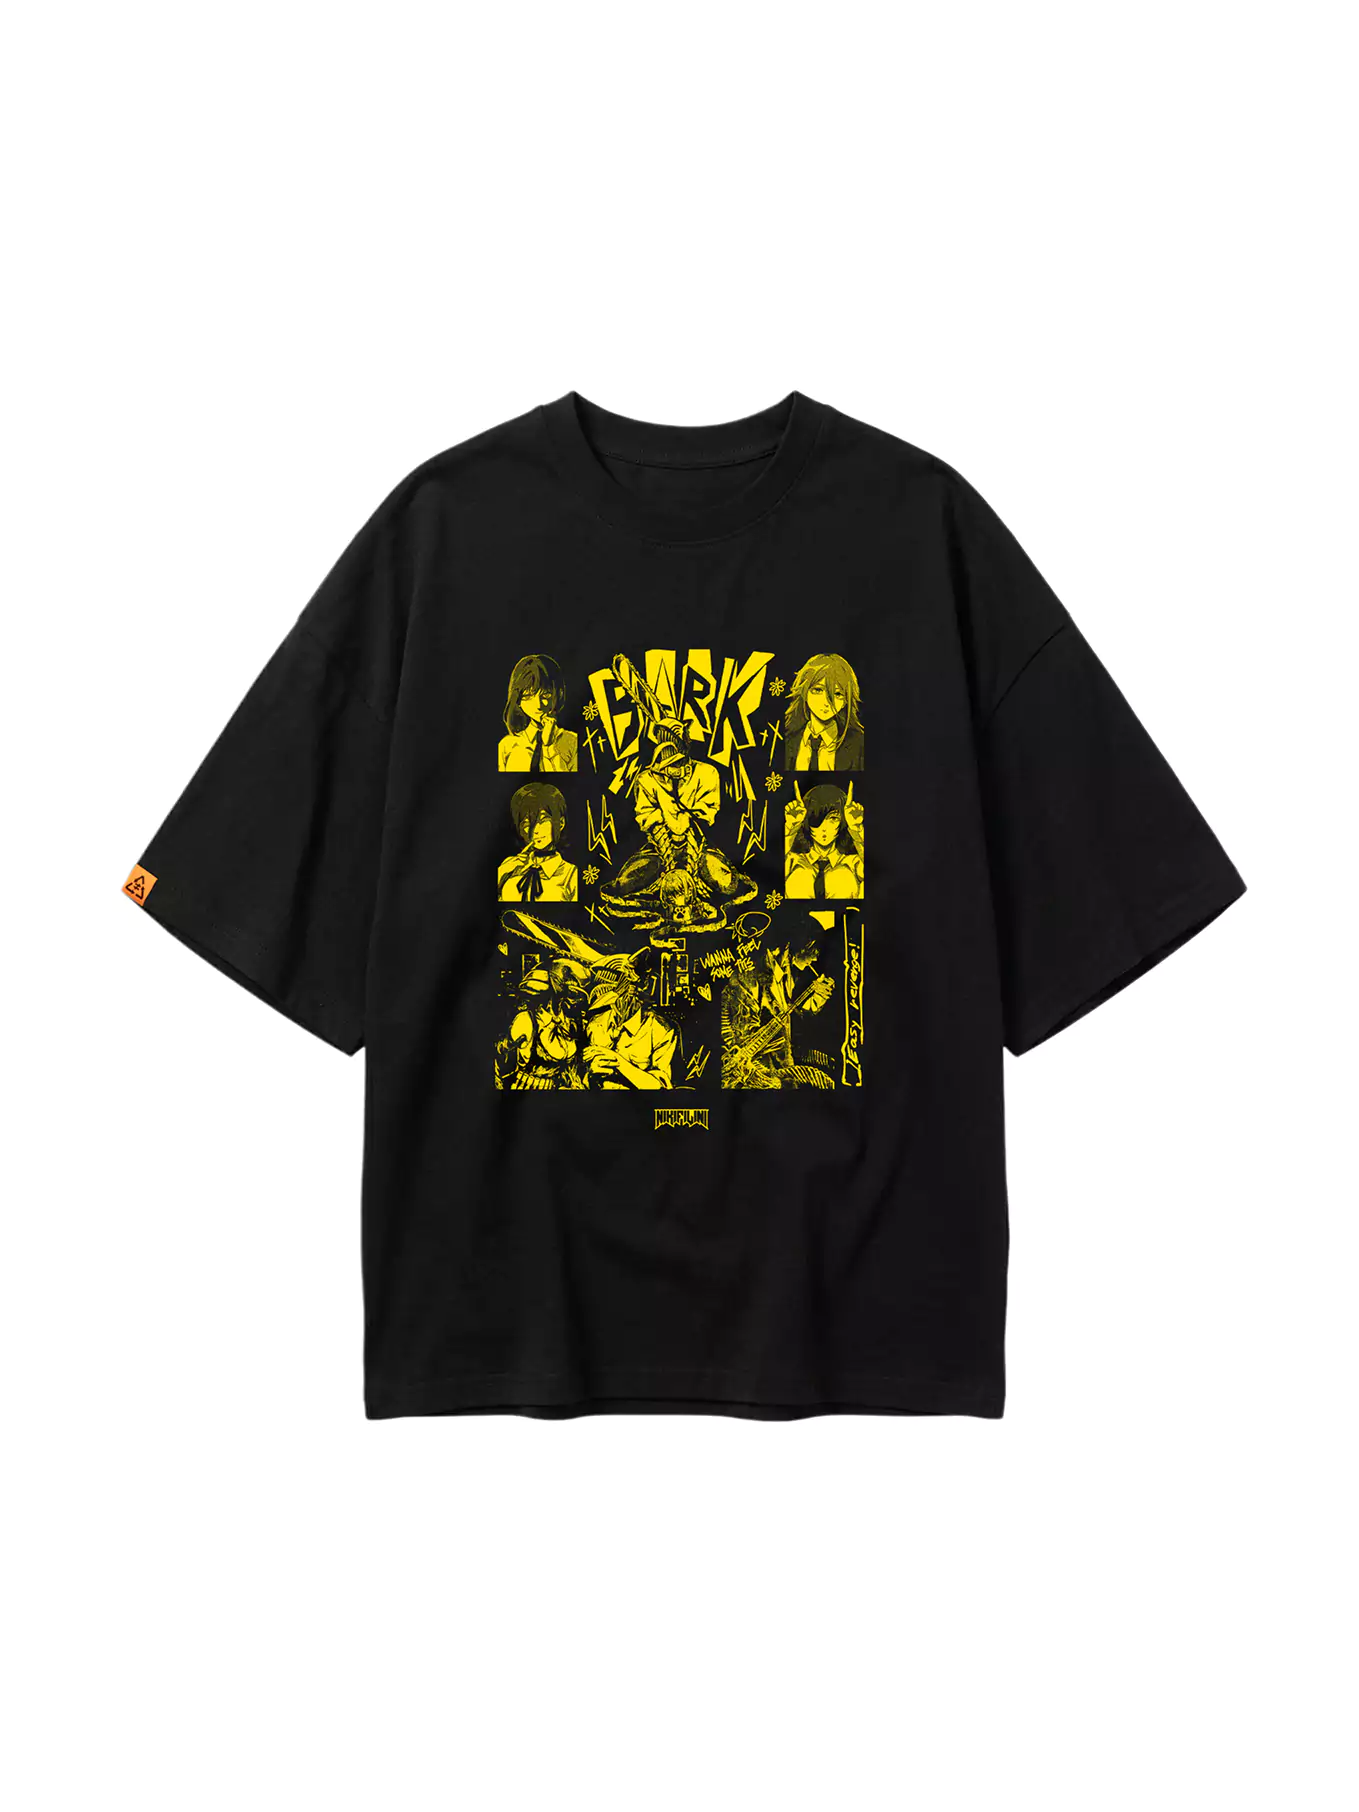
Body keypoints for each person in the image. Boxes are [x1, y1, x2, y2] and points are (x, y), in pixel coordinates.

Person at [600, 729, 754, 931]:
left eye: (675, 762)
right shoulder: (646, 779)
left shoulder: (707, 773)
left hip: (698, 847)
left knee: (728, 884)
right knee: (622, 885)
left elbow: (706, 815)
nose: (670, 771)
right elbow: (646, 817)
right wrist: (667, 851)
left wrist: (686, 832)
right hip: (658, 849)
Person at [721, 904, 835, 1089]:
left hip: (780, 1073)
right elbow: (743, 1047)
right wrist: (773, 1082)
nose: (815, 959)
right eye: (815, 952)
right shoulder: (750, 979)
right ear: (804, 945)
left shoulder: (784, 970)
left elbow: (791, 1015)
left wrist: (816, 999)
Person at [582, 955, 677, 1090]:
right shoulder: (596, 1024)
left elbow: (660, 1087)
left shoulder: (660, 1030)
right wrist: (590, 1074)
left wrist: (618, 1062)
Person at [497, 783, 578, 901]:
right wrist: (501, 874)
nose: (535, 831)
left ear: (560, 823)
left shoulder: (571, 874)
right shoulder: (509, 867)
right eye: (527, 823)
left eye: (542, 821)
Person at [782, 653, 864, 770]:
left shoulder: (859, 744)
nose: (826, 702)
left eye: (837, 694)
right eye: (818, 690)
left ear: (846, 700)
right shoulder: (788, 740)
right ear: (804, 692)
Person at [785, 781, 864, 899]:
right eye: (816, 819)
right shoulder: (792, 860)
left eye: (833, 818)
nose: (824, 828)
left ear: (842, 821)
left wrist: (856, 828)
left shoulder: (854, 862)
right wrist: (791, 828)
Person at [498, 654, 578, 770]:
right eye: (529, 696)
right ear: (518, 699)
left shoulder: (572, 741)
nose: (539, 705)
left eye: (545, 695)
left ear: (558, 694)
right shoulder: (507, 746)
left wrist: (549, 747)